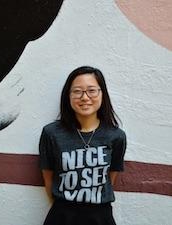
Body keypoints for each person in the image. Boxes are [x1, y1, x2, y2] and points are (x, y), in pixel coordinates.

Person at [39, 66, 127, 225]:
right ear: (68, 96)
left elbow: (110, 178)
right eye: (77, 91)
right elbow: (48, 178)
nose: (85, 97)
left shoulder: (116, 136)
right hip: (62, 216)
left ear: (102, 94)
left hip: (101, 216)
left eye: (92, 90)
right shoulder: (51, 133)